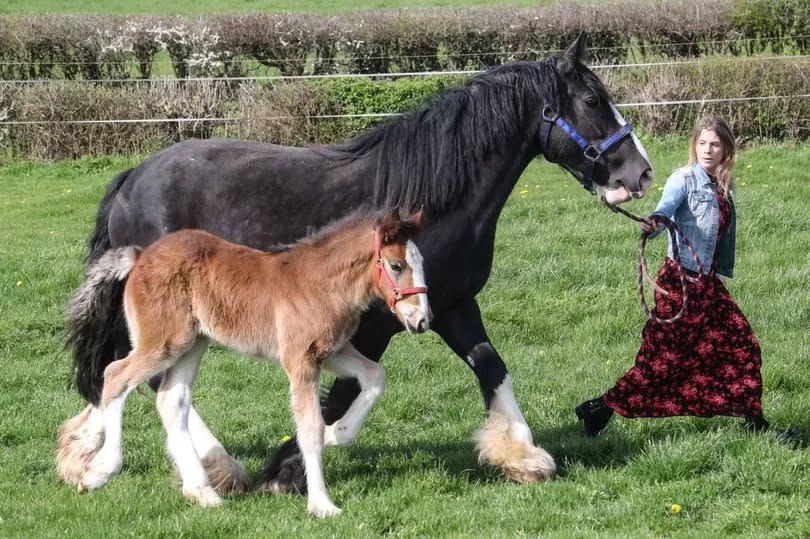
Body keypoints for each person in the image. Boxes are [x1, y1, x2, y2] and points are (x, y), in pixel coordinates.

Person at [575, 115, 797, 439]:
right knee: (661, 363)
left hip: (706, 285)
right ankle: (600, 408)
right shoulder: (684, 179)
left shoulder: (722, 183)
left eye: (715, 144)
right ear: (694, 145)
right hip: (679, 285)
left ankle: (756, 425)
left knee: (741, 345)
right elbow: (665, 211)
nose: (707, 150)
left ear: (726, 149)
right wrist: (654, 223)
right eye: (702, 143)